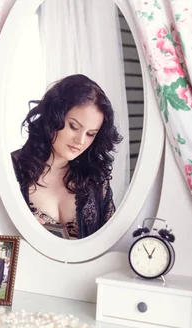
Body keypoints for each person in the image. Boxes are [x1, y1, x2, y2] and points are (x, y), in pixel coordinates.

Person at [11, 74, 122, 239]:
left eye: (91, 134)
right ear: (54, 116)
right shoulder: (11, 170)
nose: (81, 141)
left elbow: (111, 241)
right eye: (73, 126)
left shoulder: (96, 179)